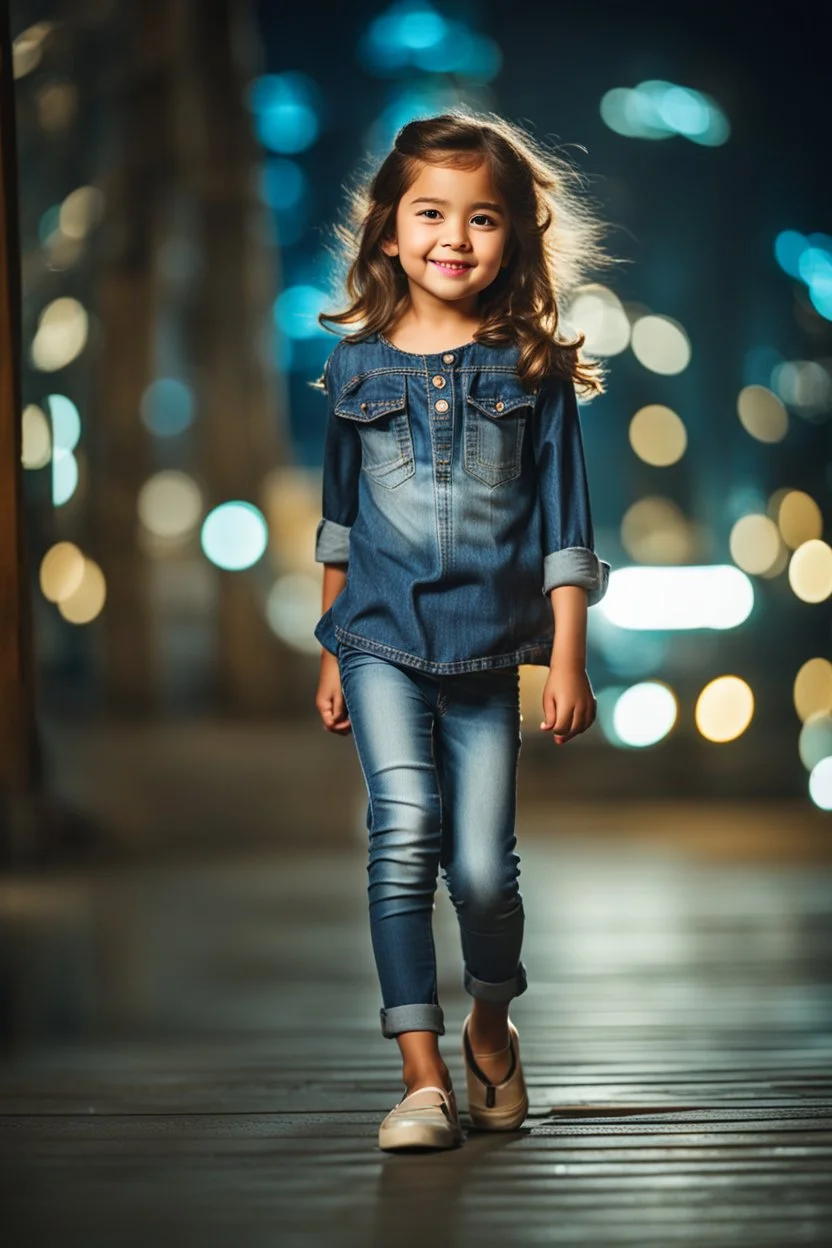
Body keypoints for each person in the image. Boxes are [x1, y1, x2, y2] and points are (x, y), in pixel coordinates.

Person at [312, 110, 613, 1152]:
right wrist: (330, 643)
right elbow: (338, 521)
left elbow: (566, 526)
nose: (454, 236)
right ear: (388, 231)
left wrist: (566, 656)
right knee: (402, 840)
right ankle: (421, 1077)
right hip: (379, 640)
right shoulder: (353, 371)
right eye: (430, 213)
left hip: (490, 652)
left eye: (482, 218)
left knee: (482, 870)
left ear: (513, 238)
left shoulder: (530, 368)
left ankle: (492, 1021)